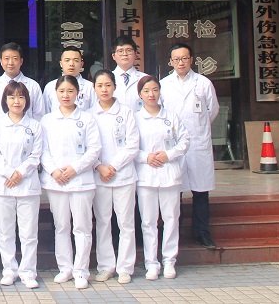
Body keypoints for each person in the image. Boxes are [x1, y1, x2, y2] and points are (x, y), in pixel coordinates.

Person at [40, 75, 102, 290]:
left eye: (70, 91)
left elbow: (94, 149)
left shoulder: (87, 119)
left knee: (82, 227)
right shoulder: (47, 120)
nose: (65, 95)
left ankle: (81, 270)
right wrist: (54, 171)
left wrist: (75, 168)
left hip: (81, 180)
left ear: (78, 93)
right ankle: (65, 268)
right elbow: (43, 150)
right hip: (56, 181)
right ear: (55, 94)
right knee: (61, 226)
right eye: (61, 91)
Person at [159, 42, 220, 250]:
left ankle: (201, 232)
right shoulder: (164, 84)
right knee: (175, 191)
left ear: (191, 60)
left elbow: (212, 110)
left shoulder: (203, 83)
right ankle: (174, 231)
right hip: (174, 145)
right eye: (176, 59)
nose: (181, 63)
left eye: (184, 58)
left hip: (197, 143)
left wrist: (199, 129)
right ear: (170, 62)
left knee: (200, 191)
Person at [0, 80, 43, 289]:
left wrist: (21, 173)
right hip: (3, 186)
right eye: (12, 97)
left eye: (20, 96)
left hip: (28, 186)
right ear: (5, 100)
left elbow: (36, 154)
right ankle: (9, 270)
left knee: (29, 233)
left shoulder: (35, 126)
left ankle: (28, 272)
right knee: (5, 232)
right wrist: (11, 173)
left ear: (27, 100)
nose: (16, 101)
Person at [135, 75, 190, 280]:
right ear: (140, 95)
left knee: (171, 219)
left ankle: (169, 261)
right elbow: (129, 146)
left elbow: (185, 141)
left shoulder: (171, 117)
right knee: (148, 221)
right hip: (146, 176)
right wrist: (146, 157)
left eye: (155, 90)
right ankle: (151, 263)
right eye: (146, 91)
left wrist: (169, 154)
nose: (151, 94)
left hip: (169, 174)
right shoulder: (135, 118)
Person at [90, 70, 139, 284]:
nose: (104, 89)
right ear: (94, 88)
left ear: (115, 87)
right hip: (99, 176)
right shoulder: (89, 114)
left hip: (123, 175)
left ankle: (125, 267)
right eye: (100, 85)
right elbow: (87, 147)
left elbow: (133, 145)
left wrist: (113, 167)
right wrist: (100, 167)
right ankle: (105, 266)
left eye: (108, 85)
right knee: (103, 222)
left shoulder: (126, 112)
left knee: (126, 222)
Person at [0, 43, 46, 120]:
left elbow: (39, 115)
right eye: (6, 58)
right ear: (1, 61)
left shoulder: (33, 85)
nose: (10, 63)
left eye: (15, 58)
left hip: (27, 127)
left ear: (21, 61)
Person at [43, 46, 94, 114]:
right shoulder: (50, 87)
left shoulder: (90, 87)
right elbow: (46, 113)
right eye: (67, 60)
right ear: (61, 64)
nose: (71, 64)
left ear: (81, 64)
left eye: (76, 60)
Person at [110, 36, 147, 112]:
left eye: (129, 50)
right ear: (113, 56)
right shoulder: (106, 79)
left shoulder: (145, 79)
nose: (125, 54)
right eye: (120, 51)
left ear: (135, 54)